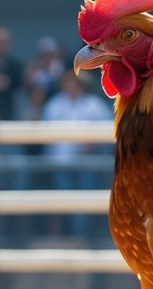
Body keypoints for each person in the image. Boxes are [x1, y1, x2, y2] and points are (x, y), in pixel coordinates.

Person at [41, 70, 111, 236]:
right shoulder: (54, 104)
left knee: (85, 202)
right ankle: (65, 238)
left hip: (87, 162)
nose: (70, 85)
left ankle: (82, 238)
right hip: (61, 163)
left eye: (73, 82)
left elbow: (109, 130)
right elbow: (45, 133)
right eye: (67, 82)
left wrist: (93, 141)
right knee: (61, 201)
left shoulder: (94, 104)